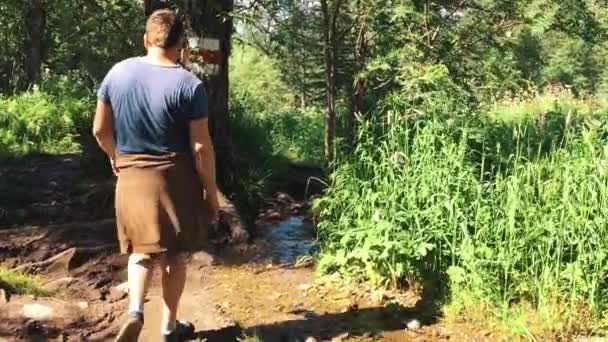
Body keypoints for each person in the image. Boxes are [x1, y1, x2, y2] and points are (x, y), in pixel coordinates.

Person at [92, 8, 220, 342]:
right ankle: (168, 327)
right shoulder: (190, 85)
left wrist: (115, 157)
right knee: (174, 256)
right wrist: (211, 194)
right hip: (174, 178)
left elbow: (99, 130)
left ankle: (135, 310)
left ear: (146, 39)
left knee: (140, 250)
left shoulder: (116, 74)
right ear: (180, 44)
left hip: (131, 175)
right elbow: (201, 149)